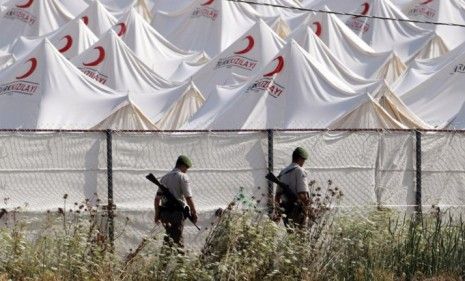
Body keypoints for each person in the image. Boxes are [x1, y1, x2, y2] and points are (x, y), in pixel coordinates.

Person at [154, 155, 198, 247]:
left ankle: (165, 260)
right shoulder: (183, 176)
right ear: (182, 166)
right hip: (176, 214)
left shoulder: (164, 178)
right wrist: (194, 212)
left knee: (169, 239)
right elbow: (188, 197)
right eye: (186, 168)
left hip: (164, 214)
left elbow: (157, 199)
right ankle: (178, 261)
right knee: (177, 242)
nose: (186, 170)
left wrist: (157, 214)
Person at [274, 147, 310, 228]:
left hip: (285, 208)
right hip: (298, 209)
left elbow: (277, 196)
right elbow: (302, 195)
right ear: (300, 158)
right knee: (301, 236)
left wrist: (279, 212)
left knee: (291, 235)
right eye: (304, 160)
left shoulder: (283, 172)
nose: (303, 162)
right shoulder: (300, 170)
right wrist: (307, 212)